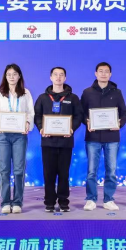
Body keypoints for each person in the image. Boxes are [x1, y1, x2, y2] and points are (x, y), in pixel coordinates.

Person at [34, 66, 83, 213]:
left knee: (64, 173)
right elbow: (37, 115)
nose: (58, 77)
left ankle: (63, 202)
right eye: (55, 74)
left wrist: (71, 128)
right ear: (51, 77)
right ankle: (49, 202)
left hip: (65, 142)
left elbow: (79, 116)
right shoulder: (42, 98)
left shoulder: (73, 98)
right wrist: (41, 128)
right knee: (48, 174)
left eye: (61, 75)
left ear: (65, 78)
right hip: (48, 142)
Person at [80, 62, 126, 211]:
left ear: (110, 74)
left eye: (106, 71)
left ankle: (109, 199)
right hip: (93, 137)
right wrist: (87, 121)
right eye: (100, 71)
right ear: (96, 73)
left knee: (111, 170)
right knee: (91, 171)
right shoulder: (87, 92)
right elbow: (81, 112)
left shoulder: (117, 92)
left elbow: (124, 113)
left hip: (112, 137)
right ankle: (91, 199)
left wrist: (119, 123)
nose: (103, 74)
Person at [0, 63, 34, 214]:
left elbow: (30, 112)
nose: (11, 77)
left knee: (19, 170)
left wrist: (27, 122)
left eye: (14, 74)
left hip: (19, 136)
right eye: (9, 74)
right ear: (5, 76)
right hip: (3, 135)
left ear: (19, 76)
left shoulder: (26, 93)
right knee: (4, 170)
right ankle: (5, 202)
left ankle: (17, 202)